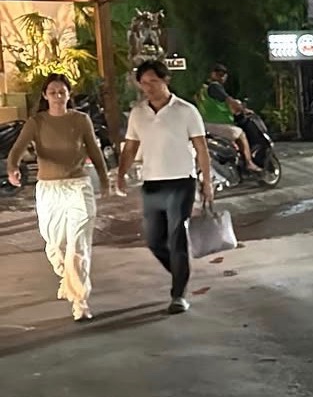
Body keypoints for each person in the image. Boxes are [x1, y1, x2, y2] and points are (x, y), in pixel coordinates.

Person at [5, 73, 109, 322]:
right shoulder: (37, 122)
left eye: (62, 92)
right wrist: (12, 169)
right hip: (49, 189)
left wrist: (105, 180)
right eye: (53, 92)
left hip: (78, 187)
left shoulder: (80, 120)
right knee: (55, 245)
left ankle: (80, 301)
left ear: (68, 94)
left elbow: (94, 150)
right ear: (45, 95)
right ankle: (67, 277)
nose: (58, 96)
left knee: (78, 245)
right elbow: (16, 150)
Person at [116, 60, 214, 315]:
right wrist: (121, 173)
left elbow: (201, 148)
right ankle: (181, 272)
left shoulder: (186, 110)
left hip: (181, 181)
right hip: (152, 183)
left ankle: (178, 294)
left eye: (153, 81)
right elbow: (131, 147)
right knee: (154, 240)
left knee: (176, 235)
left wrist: (207, 182)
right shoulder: (138, 113)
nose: (148, 87)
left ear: (166, 80)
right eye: (144, 83)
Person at [196, 64, 261, 172]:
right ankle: (249, 163)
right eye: (218, 74)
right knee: (241, 134)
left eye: (223, 74)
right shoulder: (215, 87)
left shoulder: (203, 88)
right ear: (212, 74)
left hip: (206, 123)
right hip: (216, 124)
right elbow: (230, 101)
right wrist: (244, 110)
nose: (221, 77)